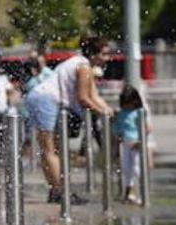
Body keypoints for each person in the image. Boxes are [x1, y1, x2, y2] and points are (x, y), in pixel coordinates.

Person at [24, 37, 114, 205]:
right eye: (104, 54)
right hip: (45, 99)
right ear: (93, 54)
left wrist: (107, 109)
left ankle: (55, 190)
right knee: (50, 149)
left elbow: (94, 95)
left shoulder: (81, 64)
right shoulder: (83, 67)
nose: (108, 58)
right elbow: (83, 98)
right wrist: (102, 112)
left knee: (50, 149)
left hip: (41, 98)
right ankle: (60, 192)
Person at [112, 85, 149, 205]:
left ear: (135, 101)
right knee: (126, 169)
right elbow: (117, 128)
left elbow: (146, 128)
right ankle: (129, 193)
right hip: (124, 144)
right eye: (125, 103)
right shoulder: (121, 113)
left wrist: (141, 141)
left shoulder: (138, 112)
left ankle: (141, 193)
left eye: (129, 103)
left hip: (136, 144)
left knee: (137, 169)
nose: (127, 106)